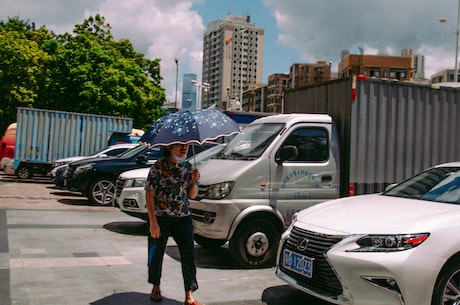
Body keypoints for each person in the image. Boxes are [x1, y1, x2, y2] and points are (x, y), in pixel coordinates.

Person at [145, 143, 203, 305]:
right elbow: (149, 195)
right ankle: (156, 286)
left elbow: (191, 195)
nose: (184, 148)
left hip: (183, 217)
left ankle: (189, 294)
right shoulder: (158, 167)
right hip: (161, 217)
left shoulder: (188, 167)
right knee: (156, 253)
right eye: (180, 145)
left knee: (188, 255)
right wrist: (153, 223)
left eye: (186, 145)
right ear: (170, 147)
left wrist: (195, 182)